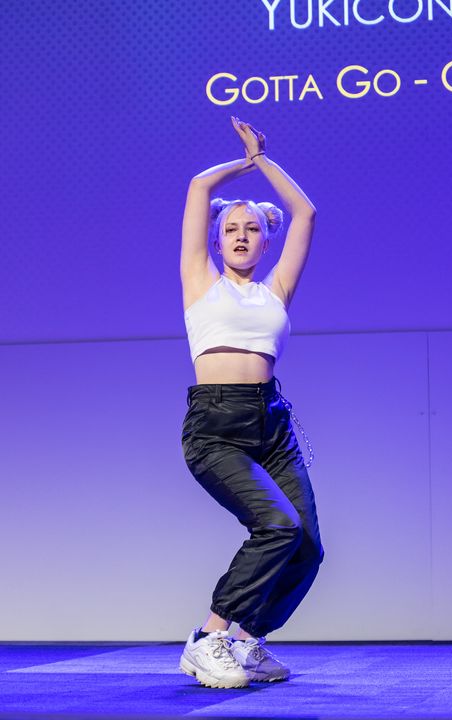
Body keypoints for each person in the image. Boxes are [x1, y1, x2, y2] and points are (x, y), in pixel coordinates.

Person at [179, 116, 325, 688]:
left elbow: (305, 212)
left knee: (307, 546)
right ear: (217, 241)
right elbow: (199, 186)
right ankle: (208, 637)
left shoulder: (276, 290)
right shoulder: (200, 281)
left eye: (252, 229)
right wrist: (244, 161)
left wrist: (265, 162)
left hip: (272, 423)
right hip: (215, 426)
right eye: (231, 229)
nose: (241, 236)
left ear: (267, 240)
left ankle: (246, 642)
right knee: (276, 525)